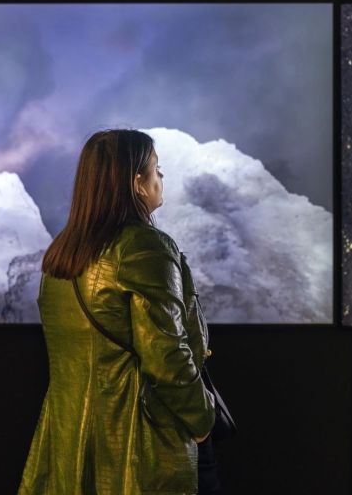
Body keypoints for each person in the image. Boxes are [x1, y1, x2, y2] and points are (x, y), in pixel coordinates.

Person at [19, 129, 219, 494]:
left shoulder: (61, 254)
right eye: (156, 169)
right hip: (138, 442)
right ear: (137, 183)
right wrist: (202, 419)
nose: (161, 178)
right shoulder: (144, 246)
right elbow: (167, 354)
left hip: (68, 437)